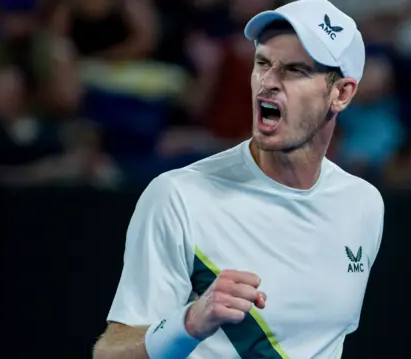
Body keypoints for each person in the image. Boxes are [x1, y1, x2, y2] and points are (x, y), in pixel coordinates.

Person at [93, 1, 384, 358]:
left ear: (341, 93)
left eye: (294, 70)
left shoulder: (363, 205)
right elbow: (111, 354)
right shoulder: (178, 196)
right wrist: (188, 323)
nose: (269, 83)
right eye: (262, 63)